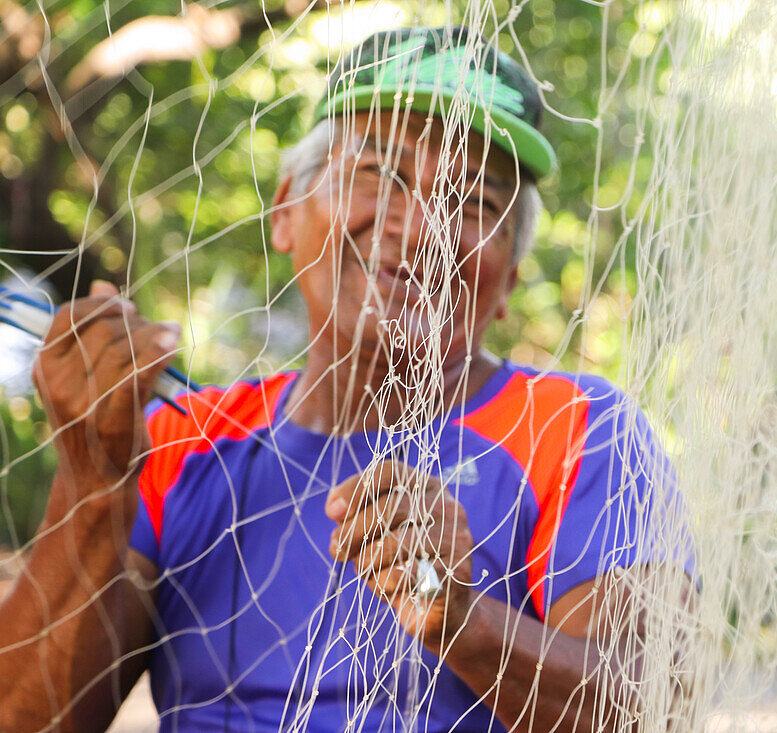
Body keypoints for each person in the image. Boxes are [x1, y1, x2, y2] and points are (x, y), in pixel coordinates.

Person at [0, 26, 695, 732]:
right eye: (378, 174)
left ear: (510, 276)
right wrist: (92, 481)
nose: (421, 227)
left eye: (474, 202)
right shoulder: (184, 440)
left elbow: (661, 707)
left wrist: (468, 622)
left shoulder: (576, 428)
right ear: (286, 212)